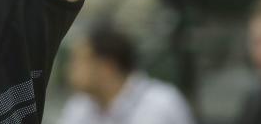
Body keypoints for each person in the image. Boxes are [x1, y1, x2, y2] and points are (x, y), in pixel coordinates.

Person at [60, 24, 194, 124]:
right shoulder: (78, 107)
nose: (70, 68)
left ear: (106, 67)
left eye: (78, 60)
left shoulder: (161, 104)